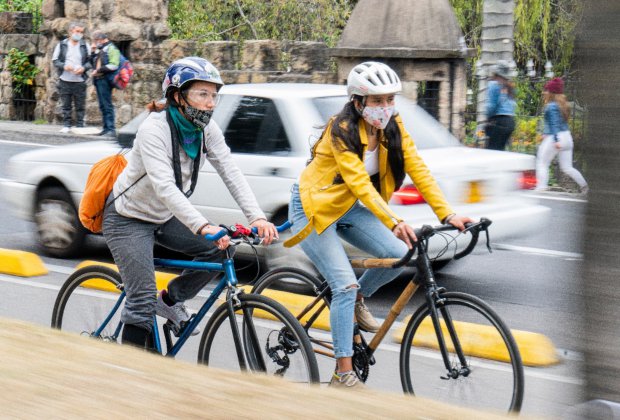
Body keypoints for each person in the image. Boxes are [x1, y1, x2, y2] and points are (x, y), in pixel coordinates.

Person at [284, 61, 472, 389]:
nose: (385, 107)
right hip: (313, 208)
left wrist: (448, 214)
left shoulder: (393, 125)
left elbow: (418, 169)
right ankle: (343, 373)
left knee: (399, 253)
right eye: (377, 101)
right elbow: (359, 183)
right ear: (358, 102)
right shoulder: (341, 129)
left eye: (390, 100)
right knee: (344, 285)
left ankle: (355, 301)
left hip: (346, 207)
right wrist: (394, 220)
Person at [102, 57, 278, 349]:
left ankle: (170, 300)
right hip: (127, 217)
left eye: (214, 96)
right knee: (142, 299)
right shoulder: (153, 130)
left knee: (222, 250)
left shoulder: (206, 130)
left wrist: (257, 217)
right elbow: (165, 188)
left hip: (163, 215)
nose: (210, 103)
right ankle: (128, 369)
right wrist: (203, 226)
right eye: (202, 94)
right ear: (177, 96)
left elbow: (231, 172)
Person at [535, 77, 588, 193]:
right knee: (567, 168)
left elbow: (554, 124)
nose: (545, 92)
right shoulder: (563, 105)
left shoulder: (551, 106)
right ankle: (584, 186)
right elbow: (558, 122)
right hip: (567, 138)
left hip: (556, 138)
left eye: (547, 90)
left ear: (551, 93)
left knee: (542, 162)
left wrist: (555, 139)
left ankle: (541, 187)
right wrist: (545, 134)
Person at [51, 22, 91, 133]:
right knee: (66, 104)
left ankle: (80, 125)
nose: (79, 34)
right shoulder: (62, 45)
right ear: (70, 32)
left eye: (81, 32)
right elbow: (55, 61)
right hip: (65, 79)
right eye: (77, 31)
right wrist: (64, 66)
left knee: (80, 104)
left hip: (80, 80)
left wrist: (83, 68)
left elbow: (90, 61)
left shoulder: (85, 45)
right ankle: (66, 125)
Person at [90, 31, 120, 137]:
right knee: (102, 105)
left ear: (102, 39)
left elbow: (114, 65)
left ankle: (111, 129)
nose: (96, 43)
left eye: (97, 40)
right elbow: (92, 62)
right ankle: (105, 128)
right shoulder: (101, 49)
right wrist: (93, 52)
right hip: (98, 80)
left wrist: (99, 70)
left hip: (105, 80)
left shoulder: (111, 48)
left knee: (107, 105)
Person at [484, 60, 517, 151]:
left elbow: (491, 106)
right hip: (510, 122)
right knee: (500, 151)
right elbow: (512, 105)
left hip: (499, 122)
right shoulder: (510, 86)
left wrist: (487, 118)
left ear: (496, 73)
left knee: (492, 152)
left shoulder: (494, 84)